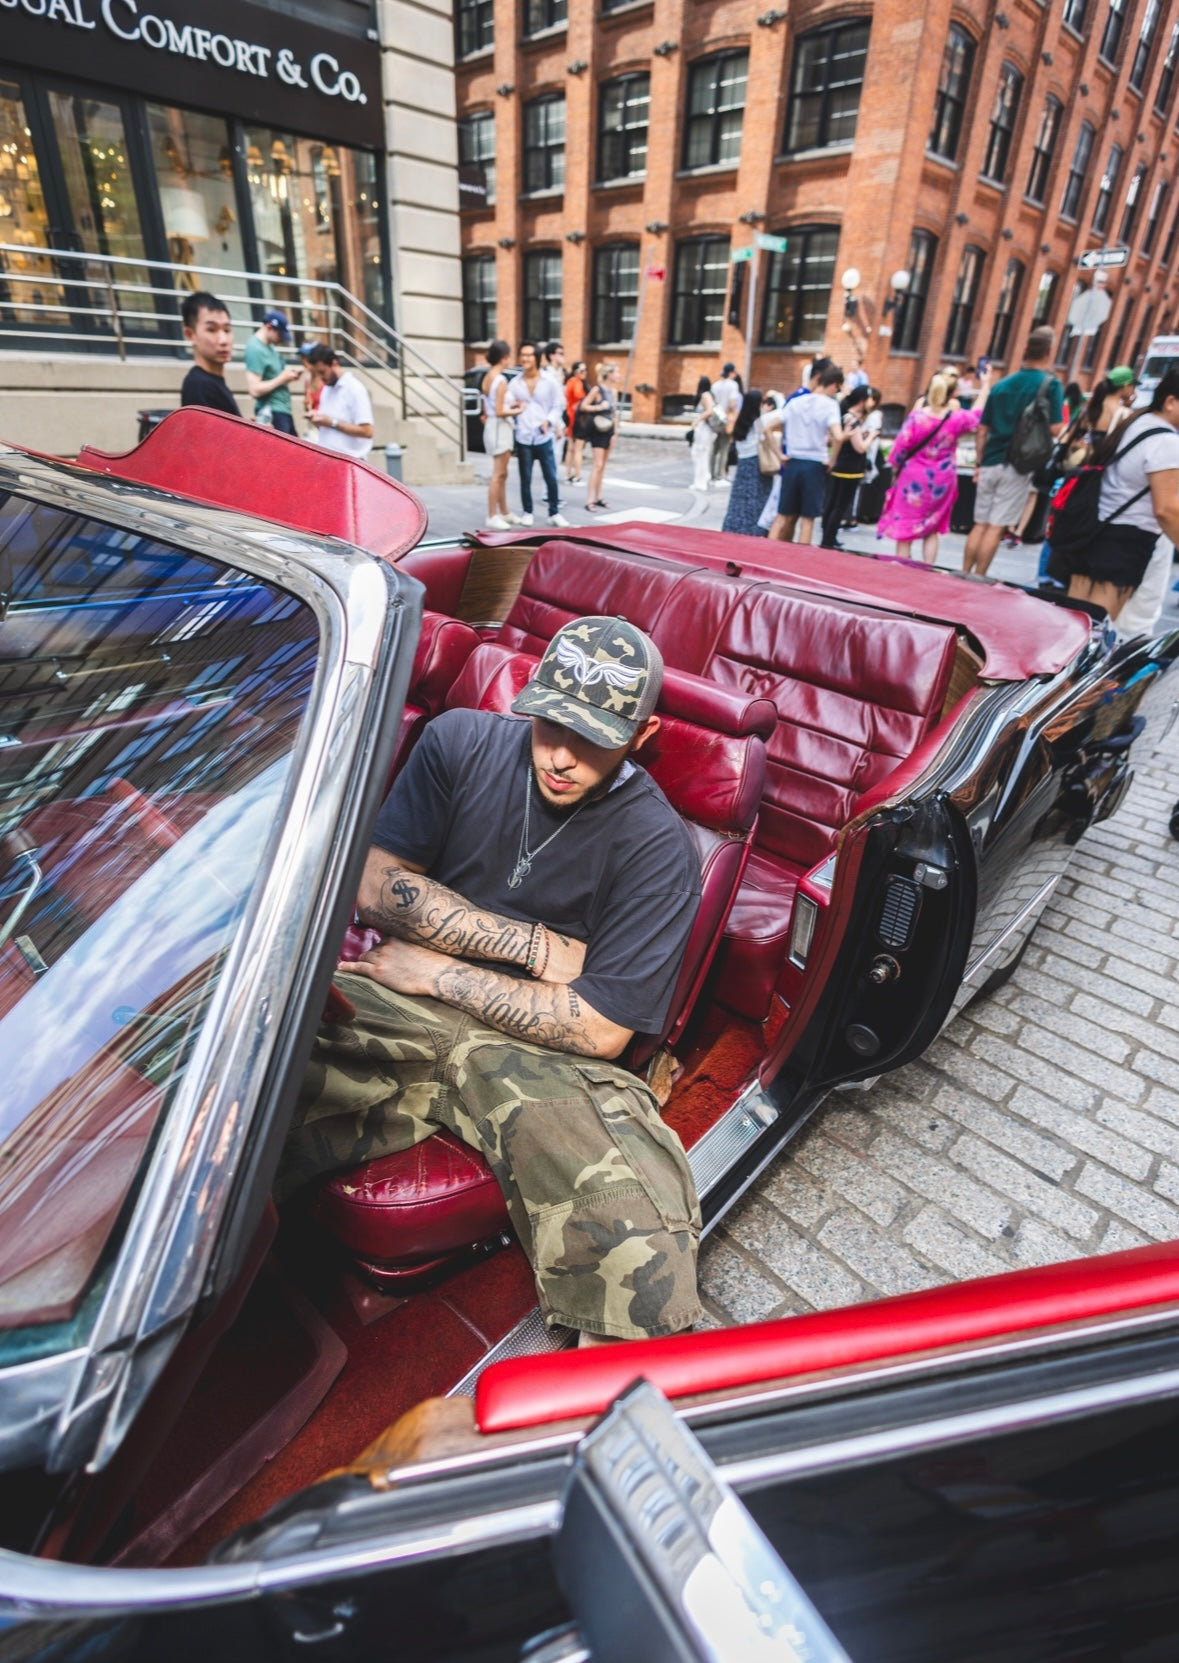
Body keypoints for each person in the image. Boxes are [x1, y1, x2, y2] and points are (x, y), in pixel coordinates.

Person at [277, 616, 704, 1345]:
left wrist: (440, 965)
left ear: (641, 735)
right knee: (239, 1065)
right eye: (551, 725)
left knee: (641, 1259)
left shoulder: (660, 845)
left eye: (594, 737)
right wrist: (543, 950)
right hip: (399, 994)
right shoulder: (458, 742)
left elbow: (599, 1028)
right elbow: (375, 885)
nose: (562, 756)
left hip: (543, 1051)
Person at [1065, 367, 1179, 621]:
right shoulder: (1167, 442)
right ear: (1170, 401)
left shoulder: (1139, 421)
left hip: (1096, 529)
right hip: (1125, 542)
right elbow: (1166, 510)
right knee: (1093, 631)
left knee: (1075, 624)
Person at [963, 326, 1064, 577]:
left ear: (1025, 349)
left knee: (980, 523)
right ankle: (978, 577)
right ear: (1050, 351)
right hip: (1018, 463)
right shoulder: (1050, 385)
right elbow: (1055, 428)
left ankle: (965, 572)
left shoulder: (1001, 385)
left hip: (990, 460)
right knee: (996, 526)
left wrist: (979, 462)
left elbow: (982, 429)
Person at [878, 367, 992, 563]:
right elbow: (977, 414)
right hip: (942, 480)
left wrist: (896, 471)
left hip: (912, 479)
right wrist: (986, 385)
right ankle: (928, 572)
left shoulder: (917, 417)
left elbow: (899, 449)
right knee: (932, 529)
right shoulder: (956, 418)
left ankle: (901, 571)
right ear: (953, 393)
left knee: (906, 529)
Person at [768, 363, 844, 544]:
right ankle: (799, 563)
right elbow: (839, 436)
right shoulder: (830, 405)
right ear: (833, 384)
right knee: (807, 520)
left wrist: (779, 455)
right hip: (815, 464)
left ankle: (765, 556)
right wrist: (832, 459)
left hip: (793, 463)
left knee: (782, 516)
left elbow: (767, 427)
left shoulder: (796, 402)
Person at [508, 341, 570, 527]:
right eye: (523, 355)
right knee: (525, 478)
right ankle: (527, 512)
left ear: (537, 358)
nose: (525, 358)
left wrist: (549, 421)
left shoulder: (549, 382)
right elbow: (507, 404)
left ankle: (554, 513)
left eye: (529, 355)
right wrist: (513, 408)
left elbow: (557, 406)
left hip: (544, 436)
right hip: (524, 436)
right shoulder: (515, 383)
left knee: (550, 476)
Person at [819, 385, 875, 549]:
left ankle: (828, 537)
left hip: (840, 466)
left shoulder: (843, 416)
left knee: (832, 503)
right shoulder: (852, 420)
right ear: (862, 400)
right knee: (840, 505)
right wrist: (871, 436)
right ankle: (829, 539)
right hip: (850, 469)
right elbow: (860, 447)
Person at [305, 346, 375, 459]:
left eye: (322, 372)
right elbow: (329, 429)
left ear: (334, 363)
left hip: (350, 462)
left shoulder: (355, 389)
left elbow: (367, 431)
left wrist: (332, 423)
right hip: (328, 460)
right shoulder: (327, 389)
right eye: (317, 374)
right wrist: (318, 421)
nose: (320, 377)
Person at [722, 390, 774, 536]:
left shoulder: (740, 421)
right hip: (756, 465)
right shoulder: (758, 421)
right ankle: (753, 531)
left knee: (739, 502)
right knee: (757, 500)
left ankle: (734, 528)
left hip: (743, 465)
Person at [243, 308, 303, 435]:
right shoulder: (255, 348)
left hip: (282, 410)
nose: (281, 339)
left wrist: (288, 376)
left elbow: (274, 375)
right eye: (280, 335)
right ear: (269, 327)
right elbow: (254, 389)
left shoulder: (269, 347)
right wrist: (282, 378)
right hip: (272, 413)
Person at [179, 291, 240, 415]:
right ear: (190, 335)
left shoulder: (213, 382)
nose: (223, 340)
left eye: (227, 330)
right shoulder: (198, 386)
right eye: (212, 330)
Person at [482, 338, 521, 530]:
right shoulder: (501, 379)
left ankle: (504, 511)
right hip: (500, 427)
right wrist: (518, 410)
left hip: (493, 426)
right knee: (498, 474)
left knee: (502, 473)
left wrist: (509, 406)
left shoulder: (488, 377)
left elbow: (488, 406)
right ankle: (492, 514)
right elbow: (499, 410)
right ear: (504, 358)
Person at [581, 361, 621, 513]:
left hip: (609, 430)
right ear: (609, 374)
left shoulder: (614, 392)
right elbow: (584, 406)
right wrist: (599, 407)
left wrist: (616, 432)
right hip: (598, 430)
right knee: (597, 465)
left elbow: (614, 413)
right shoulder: (597, 390)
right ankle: (589, 500)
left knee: (603, 466)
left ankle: (599, 497)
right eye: (616, 372)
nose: (618, 375)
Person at [709, 361, 741, 484]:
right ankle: (720, 475)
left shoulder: (715, 385)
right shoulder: (733, 385)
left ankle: (711, 472)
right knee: (724, 448)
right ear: (731, 372)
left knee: (715, 447)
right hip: (727, 419)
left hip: (716, 419)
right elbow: (732, 404)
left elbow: (713, 402)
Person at [689, 374, 718, 494]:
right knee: (701, 453)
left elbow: (709, 411)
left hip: (704, 428)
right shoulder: (708, 395)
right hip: (705, 428)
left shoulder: (705, 395)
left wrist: (697, 420)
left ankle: (701, 481)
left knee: (700, 453)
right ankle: (701, 479)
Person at [564, 360, 587, 484]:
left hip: (570, 417)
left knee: (570, 448)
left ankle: (568, 474)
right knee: (578, 449)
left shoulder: (570, 382)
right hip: (578, 418)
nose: (585, 373)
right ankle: (577, 476)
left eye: (585, 370)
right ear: (576, 371)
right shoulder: (577, 382)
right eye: (582, 371)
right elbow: (579, 397)